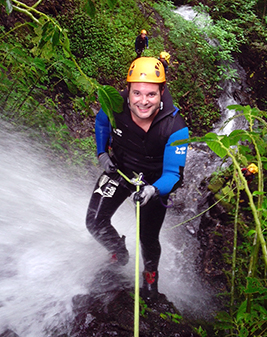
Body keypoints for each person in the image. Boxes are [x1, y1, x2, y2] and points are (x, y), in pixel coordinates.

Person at [85, 57, 189, 300]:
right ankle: (118, 253)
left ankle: (150, 277)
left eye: (151, 94)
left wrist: (153, 190)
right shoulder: (114, 104)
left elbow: (173, 175)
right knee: (95, 221)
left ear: (162, 91)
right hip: (118, 171)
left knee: (148, 237)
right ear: (128, 90)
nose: (143, 101)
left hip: (153, 182)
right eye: (137, 93)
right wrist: (102, 153)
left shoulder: (175, 127)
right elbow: (101, 122)